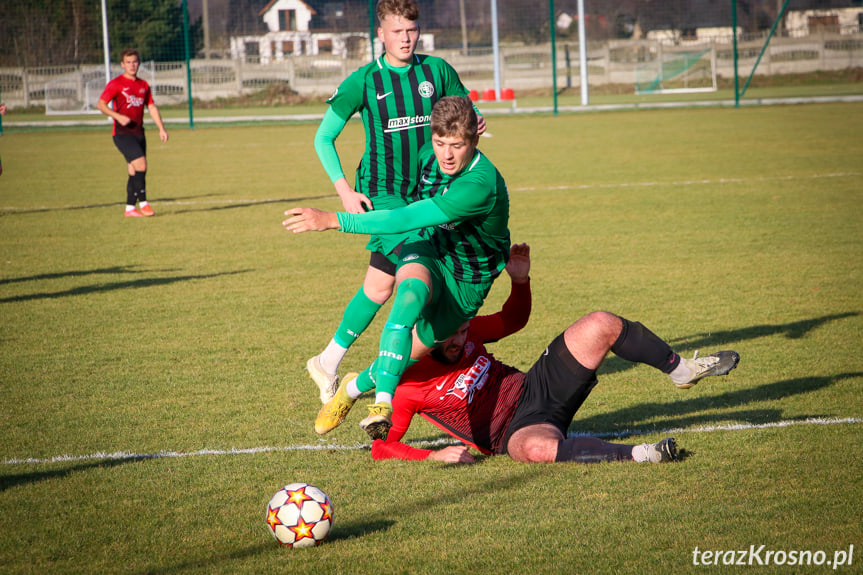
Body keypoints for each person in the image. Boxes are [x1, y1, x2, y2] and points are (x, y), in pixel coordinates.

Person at [369, 242, 741, 464]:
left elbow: (513, 320)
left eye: (464, 330)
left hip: (536, 386)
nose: (461, 339)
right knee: (534, 449)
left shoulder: (467, 330)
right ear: (425, 333)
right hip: (511, 432)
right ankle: (643, 454)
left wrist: (519, 279)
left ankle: (682, 369)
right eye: (451, 337)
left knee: (600, 322)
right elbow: (381, 448)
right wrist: (432, 455)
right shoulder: (406, 385)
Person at [284, 95, 509, 440]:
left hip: (467, 284)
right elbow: (400, 203)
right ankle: (382, 405)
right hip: (431, 250)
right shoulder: (428, 158)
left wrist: (332, 219)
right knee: (408, 295)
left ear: (474, 141)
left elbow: (407, 216)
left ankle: (351, 389)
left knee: (405, 357)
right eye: (439, 143)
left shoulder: (479, 185)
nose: (446, 155)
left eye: (456, 145)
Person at [306, 0, 485, 405]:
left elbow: (467, 110)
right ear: (381, 35)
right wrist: (344, 192)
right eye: (397, 31)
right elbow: (323, 137)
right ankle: (389, 386)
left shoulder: (436, 71)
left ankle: (328, 362)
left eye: (411, 30)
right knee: (416, 270)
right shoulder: (365, 81)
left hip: (428, 190)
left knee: (380, 284)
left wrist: (477, 119)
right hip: (383, 193)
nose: (406, 39)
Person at [97, 48, 168, 218]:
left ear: (139, 63)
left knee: (133, 170)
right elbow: (101, 104)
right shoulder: (116, 84)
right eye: (128, 62)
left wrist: (161, 128)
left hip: (139, 133)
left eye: (135, 62)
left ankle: (130, 208)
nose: (132, 65)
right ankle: (143, 203)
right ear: (122, 64)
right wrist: (117, 116)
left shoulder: (143, 85)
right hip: (122, 134)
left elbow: (151, 106)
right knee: (142, 165)